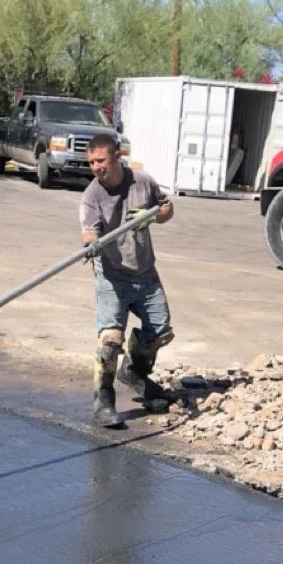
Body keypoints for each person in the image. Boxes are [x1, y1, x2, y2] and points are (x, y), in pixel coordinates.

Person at [80, 133, 174, 428]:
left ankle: (133, 371)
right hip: (112, 276)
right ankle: (103, 401)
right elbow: (89, 230)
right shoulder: (92, 194)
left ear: (117, 156)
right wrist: (91, 243)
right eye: (91, 162)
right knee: (110, 340)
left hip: (145, 273)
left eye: (100, 160)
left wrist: (152, 217)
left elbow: (167, 208)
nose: (96, 167)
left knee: (160, 332)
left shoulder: (142, 181)